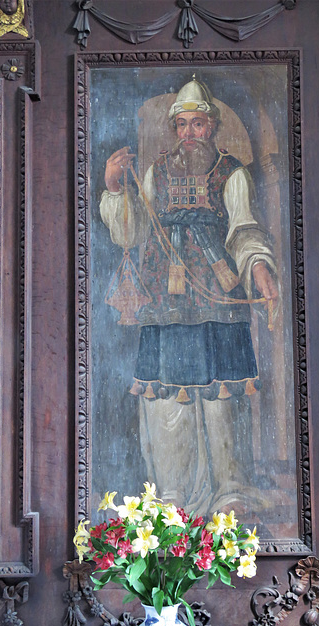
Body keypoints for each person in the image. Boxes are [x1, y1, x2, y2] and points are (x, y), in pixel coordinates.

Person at [100, 77, 278, 515]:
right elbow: (133, 230)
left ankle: (229, 488)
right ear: (174, 128)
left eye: (198, 125)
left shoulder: (231, 172)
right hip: (165, 299)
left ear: (212, 128)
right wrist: (116, 188)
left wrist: (260, 270)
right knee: (166, 395)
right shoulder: (156, 171)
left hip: (219, 294)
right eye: (183, 125)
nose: (190, 134)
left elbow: (244, 227)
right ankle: (174, 494)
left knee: (224, 394)